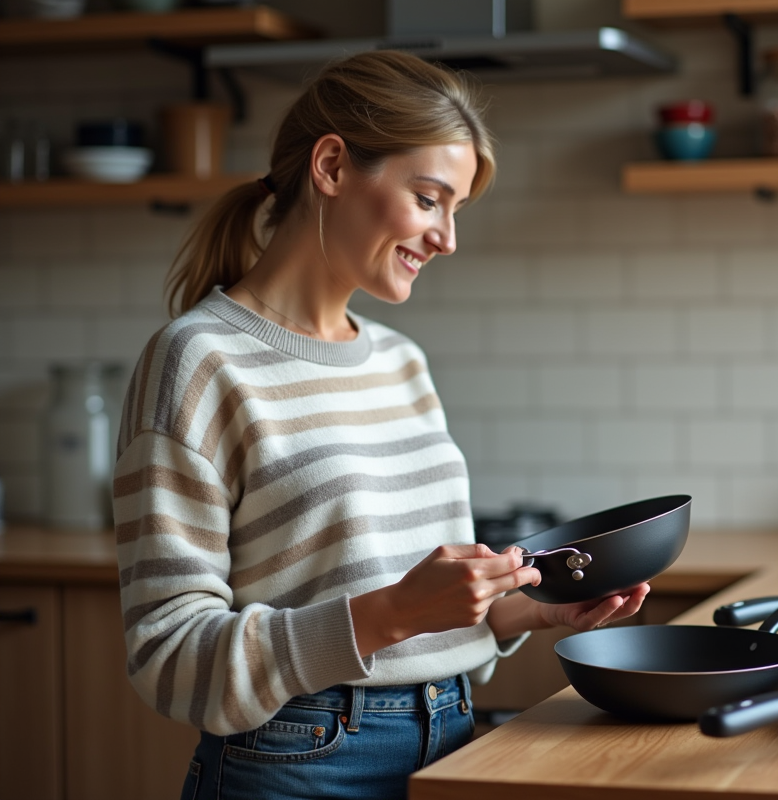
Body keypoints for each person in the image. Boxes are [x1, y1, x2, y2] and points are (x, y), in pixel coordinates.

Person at [112, 50, 649, 800]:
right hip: (298, 763)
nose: (447, 238)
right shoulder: (198, 361)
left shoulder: (400, 361)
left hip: (454, 738)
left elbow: (409, 625)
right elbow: (168, 656)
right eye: (430, 199)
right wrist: (389, 613)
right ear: (331, 166)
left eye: (456, 209)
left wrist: (524, 611)